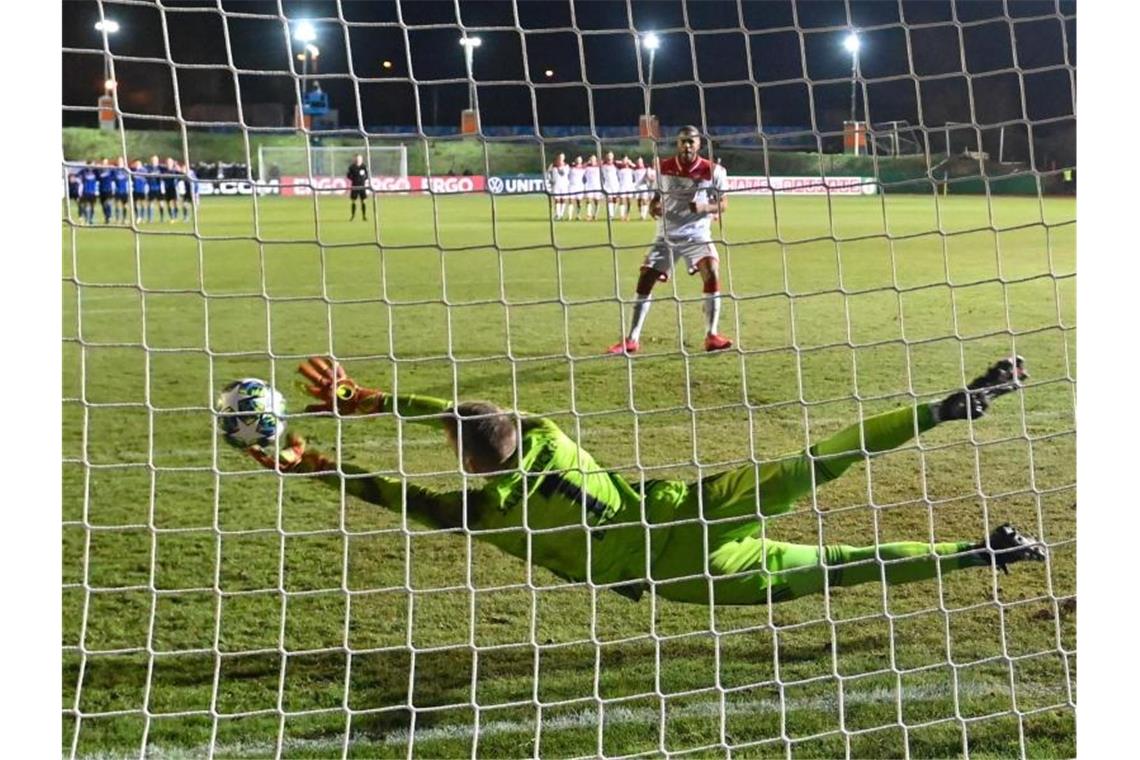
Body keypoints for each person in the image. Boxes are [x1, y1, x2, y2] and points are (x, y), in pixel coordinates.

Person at [234, 355, 1044, 606]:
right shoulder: (545, 431)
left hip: (681, 572)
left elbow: (406, 496)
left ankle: (985, 554)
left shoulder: (491, 512)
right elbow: (466, 412)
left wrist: (321, 465)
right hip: (692, 511)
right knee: (819, 461)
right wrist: (371, 400)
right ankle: (945, 409)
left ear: (467, 459)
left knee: (834, 570)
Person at [607, 126, 731, 355]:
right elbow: (656, 199)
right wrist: (655, 207)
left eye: (691, 142)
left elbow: (723, 204)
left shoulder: (713, 170)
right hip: (666, 235)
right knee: (645, 278)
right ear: (677, 144)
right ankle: (631, 339)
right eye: (683, 141)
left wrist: (705, 207)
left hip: (697, 235)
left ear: (698, 144)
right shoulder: (662, 169)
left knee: (711, 270)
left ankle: (711, 335)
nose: (687, 146)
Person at [547, 153, 571, 221]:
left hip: (564, 185)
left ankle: (561, 214)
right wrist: (550, 180)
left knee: (563, 199)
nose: (561, 158)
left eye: (562, 157)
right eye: (560, 157)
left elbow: (568, 175)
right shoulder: (553, 165)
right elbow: (548, 173)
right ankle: (558, 214)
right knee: (557, 199)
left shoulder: (566, 166)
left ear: (564, 158)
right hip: (556, 185)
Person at [346, 154, 369, 221]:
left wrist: (364, 178)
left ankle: (364, 216)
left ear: (361, 159)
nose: (358, 160)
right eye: (357, 159)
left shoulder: (364, 166)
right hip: (355, 186)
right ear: (355, 159)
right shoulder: (352, 167)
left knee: (363, 201)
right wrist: (353, 179)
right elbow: (348, 175)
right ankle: (352, 216)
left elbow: (367, 175)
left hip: (362, 186)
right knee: (353, 201)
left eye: (359, 159)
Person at [632, 156, 655, 221]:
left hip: (644, 187)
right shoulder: (634, 169)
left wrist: (650, 179)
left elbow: (648, 176)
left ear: (642, 162)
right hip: (636, 187)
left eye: (641, 161)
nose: (639, 163)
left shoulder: (646, 169)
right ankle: (641, 213)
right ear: (636, 162)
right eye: (638, 162)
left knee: (644, 200)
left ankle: (643, 216)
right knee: (639, 202)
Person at [582, 155, 602, 221]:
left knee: (597, 201)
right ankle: (589, 214)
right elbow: (581, 168)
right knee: (588, 200)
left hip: (597, 185)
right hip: (589, 185)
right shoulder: (586, 166)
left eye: (594, 159)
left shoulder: (599, 165)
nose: (593, 160)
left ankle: (595, 214)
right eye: (591, 159)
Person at [79, 160, 99, 225]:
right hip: (86, 192)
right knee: (86, 206)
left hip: (93, 192)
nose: (91, 166)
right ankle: (87, 220)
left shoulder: (95, 172)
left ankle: (91, 219)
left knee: (92, 207)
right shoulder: (83, 171)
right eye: (90, 165)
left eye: (92, 165)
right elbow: (78, 177)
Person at [617, 155, 635, 221]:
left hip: (630, 186)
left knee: (629, 201)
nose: (625, 161)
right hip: (622, 186)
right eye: (624, 159)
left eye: (626, 159)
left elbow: (637, 167)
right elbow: (613, 162)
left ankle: (627, 214)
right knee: (622, 200)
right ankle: (622, 215)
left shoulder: (631, 167)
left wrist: (631, 163)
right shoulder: (619, 167)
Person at [146, 155, 164, 223]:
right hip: (151, 188)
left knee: (161, 203)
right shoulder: (148, 168)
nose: (154, 161)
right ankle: (150, 219)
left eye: (155, 160)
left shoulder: (161, 168)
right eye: (153, 160)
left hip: (159, 188)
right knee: (150, 204)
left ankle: (161, 218)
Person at [97, 158, 115, 224]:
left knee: (108, 203)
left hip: (108, 189)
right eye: (103, 162)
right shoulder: (99, 171)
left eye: (106, 162)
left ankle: (109, 216)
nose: (104, 163)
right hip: (101, 189)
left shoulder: (110, 169)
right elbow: (97, 177)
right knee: (103, 205)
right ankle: (106, 217)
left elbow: (114, 176)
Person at [112, 157, 130, 223]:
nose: (120, 162)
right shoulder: (115, 170)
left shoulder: (126, 170)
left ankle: (124, 218)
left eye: (121, 161)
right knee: (117, 205)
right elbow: (113, 180)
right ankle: (117, 219)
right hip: (117, 190)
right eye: (119, 161)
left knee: (125, 205)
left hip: (124, 190)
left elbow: (129, 180)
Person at [567, 156, 585, 221]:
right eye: (577, 160)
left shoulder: (583, 168)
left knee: (579, 202)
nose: (578, 161)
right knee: (570, 201)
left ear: (581, 161)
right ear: (575, 160)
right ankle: (570, 216)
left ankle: (578, 215)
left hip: (579, 186)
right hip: (572, 186)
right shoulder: (571, 167)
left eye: (580, 160)